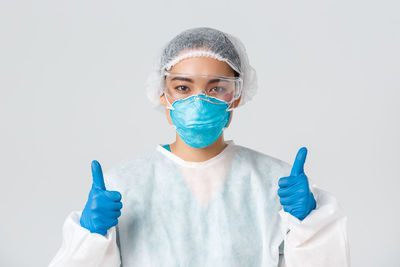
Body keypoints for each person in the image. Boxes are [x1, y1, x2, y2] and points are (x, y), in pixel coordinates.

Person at [49, 27, 350, 267]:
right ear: (162, 94)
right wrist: (90, 237)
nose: (198, 100)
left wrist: (310, 224)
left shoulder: (276, 184)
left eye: (216, 88)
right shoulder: (122, 187)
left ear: (236, 96)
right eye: (183, 87)